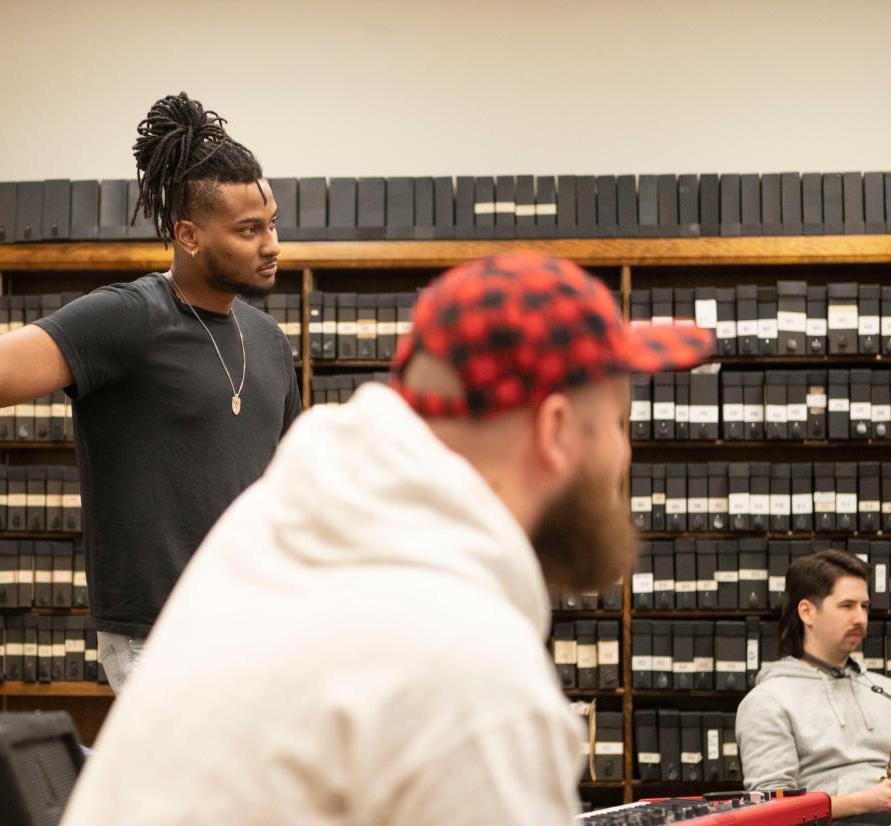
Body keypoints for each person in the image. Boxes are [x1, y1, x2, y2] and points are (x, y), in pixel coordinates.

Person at [59, 251, 712, 826]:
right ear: (557, 429)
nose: (622, 459)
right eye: (617, 424)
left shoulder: (271, 534)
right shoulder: (470, 672)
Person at [0, 92, 301, 692]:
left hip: (257, 632)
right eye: (249, 230)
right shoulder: (132, 317)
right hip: (160, 641)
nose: (272, 244)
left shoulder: (271, 342)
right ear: (189, 235)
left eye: (272, 223)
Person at [737, 550, 891, 825]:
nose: (861, 619)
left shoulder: (883, 689)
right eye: (847, 606)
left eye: (864, 606)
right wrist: (866, 801)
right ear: (807, 612)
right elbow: (771, 809)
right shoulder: (767, 701)